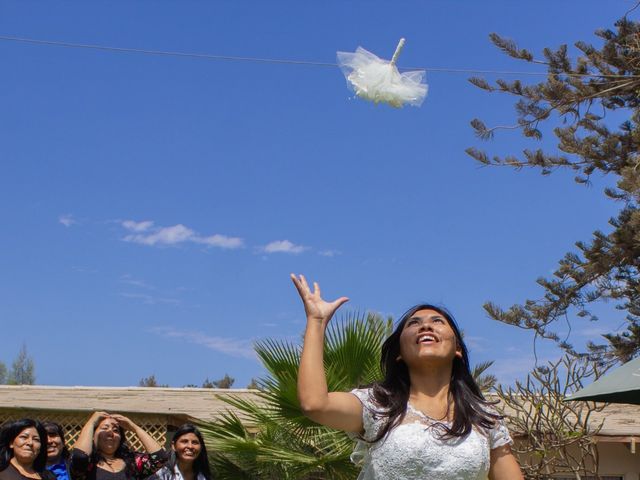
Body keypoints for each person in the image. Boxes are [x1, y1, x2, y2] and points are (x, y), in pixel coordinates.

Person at [292, 273, 524, 480]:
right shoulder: (377, 405)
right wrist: (317, 322)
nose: (425, 326)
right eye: (414, 323)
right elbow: (315, 403)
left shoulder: (484, 418)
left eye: (437, 321)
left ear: (458, 349)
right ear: (399, 354)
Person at [70, 412, 167, 480]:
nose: (110, 433)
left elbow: (160, 458)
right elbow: (80, 456)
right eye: (104, 428)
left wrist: (134, 428)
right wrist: (91, 422)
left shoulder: (132, 462)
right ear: (92, 435)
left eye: (116, 430)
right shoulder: (88, 464)